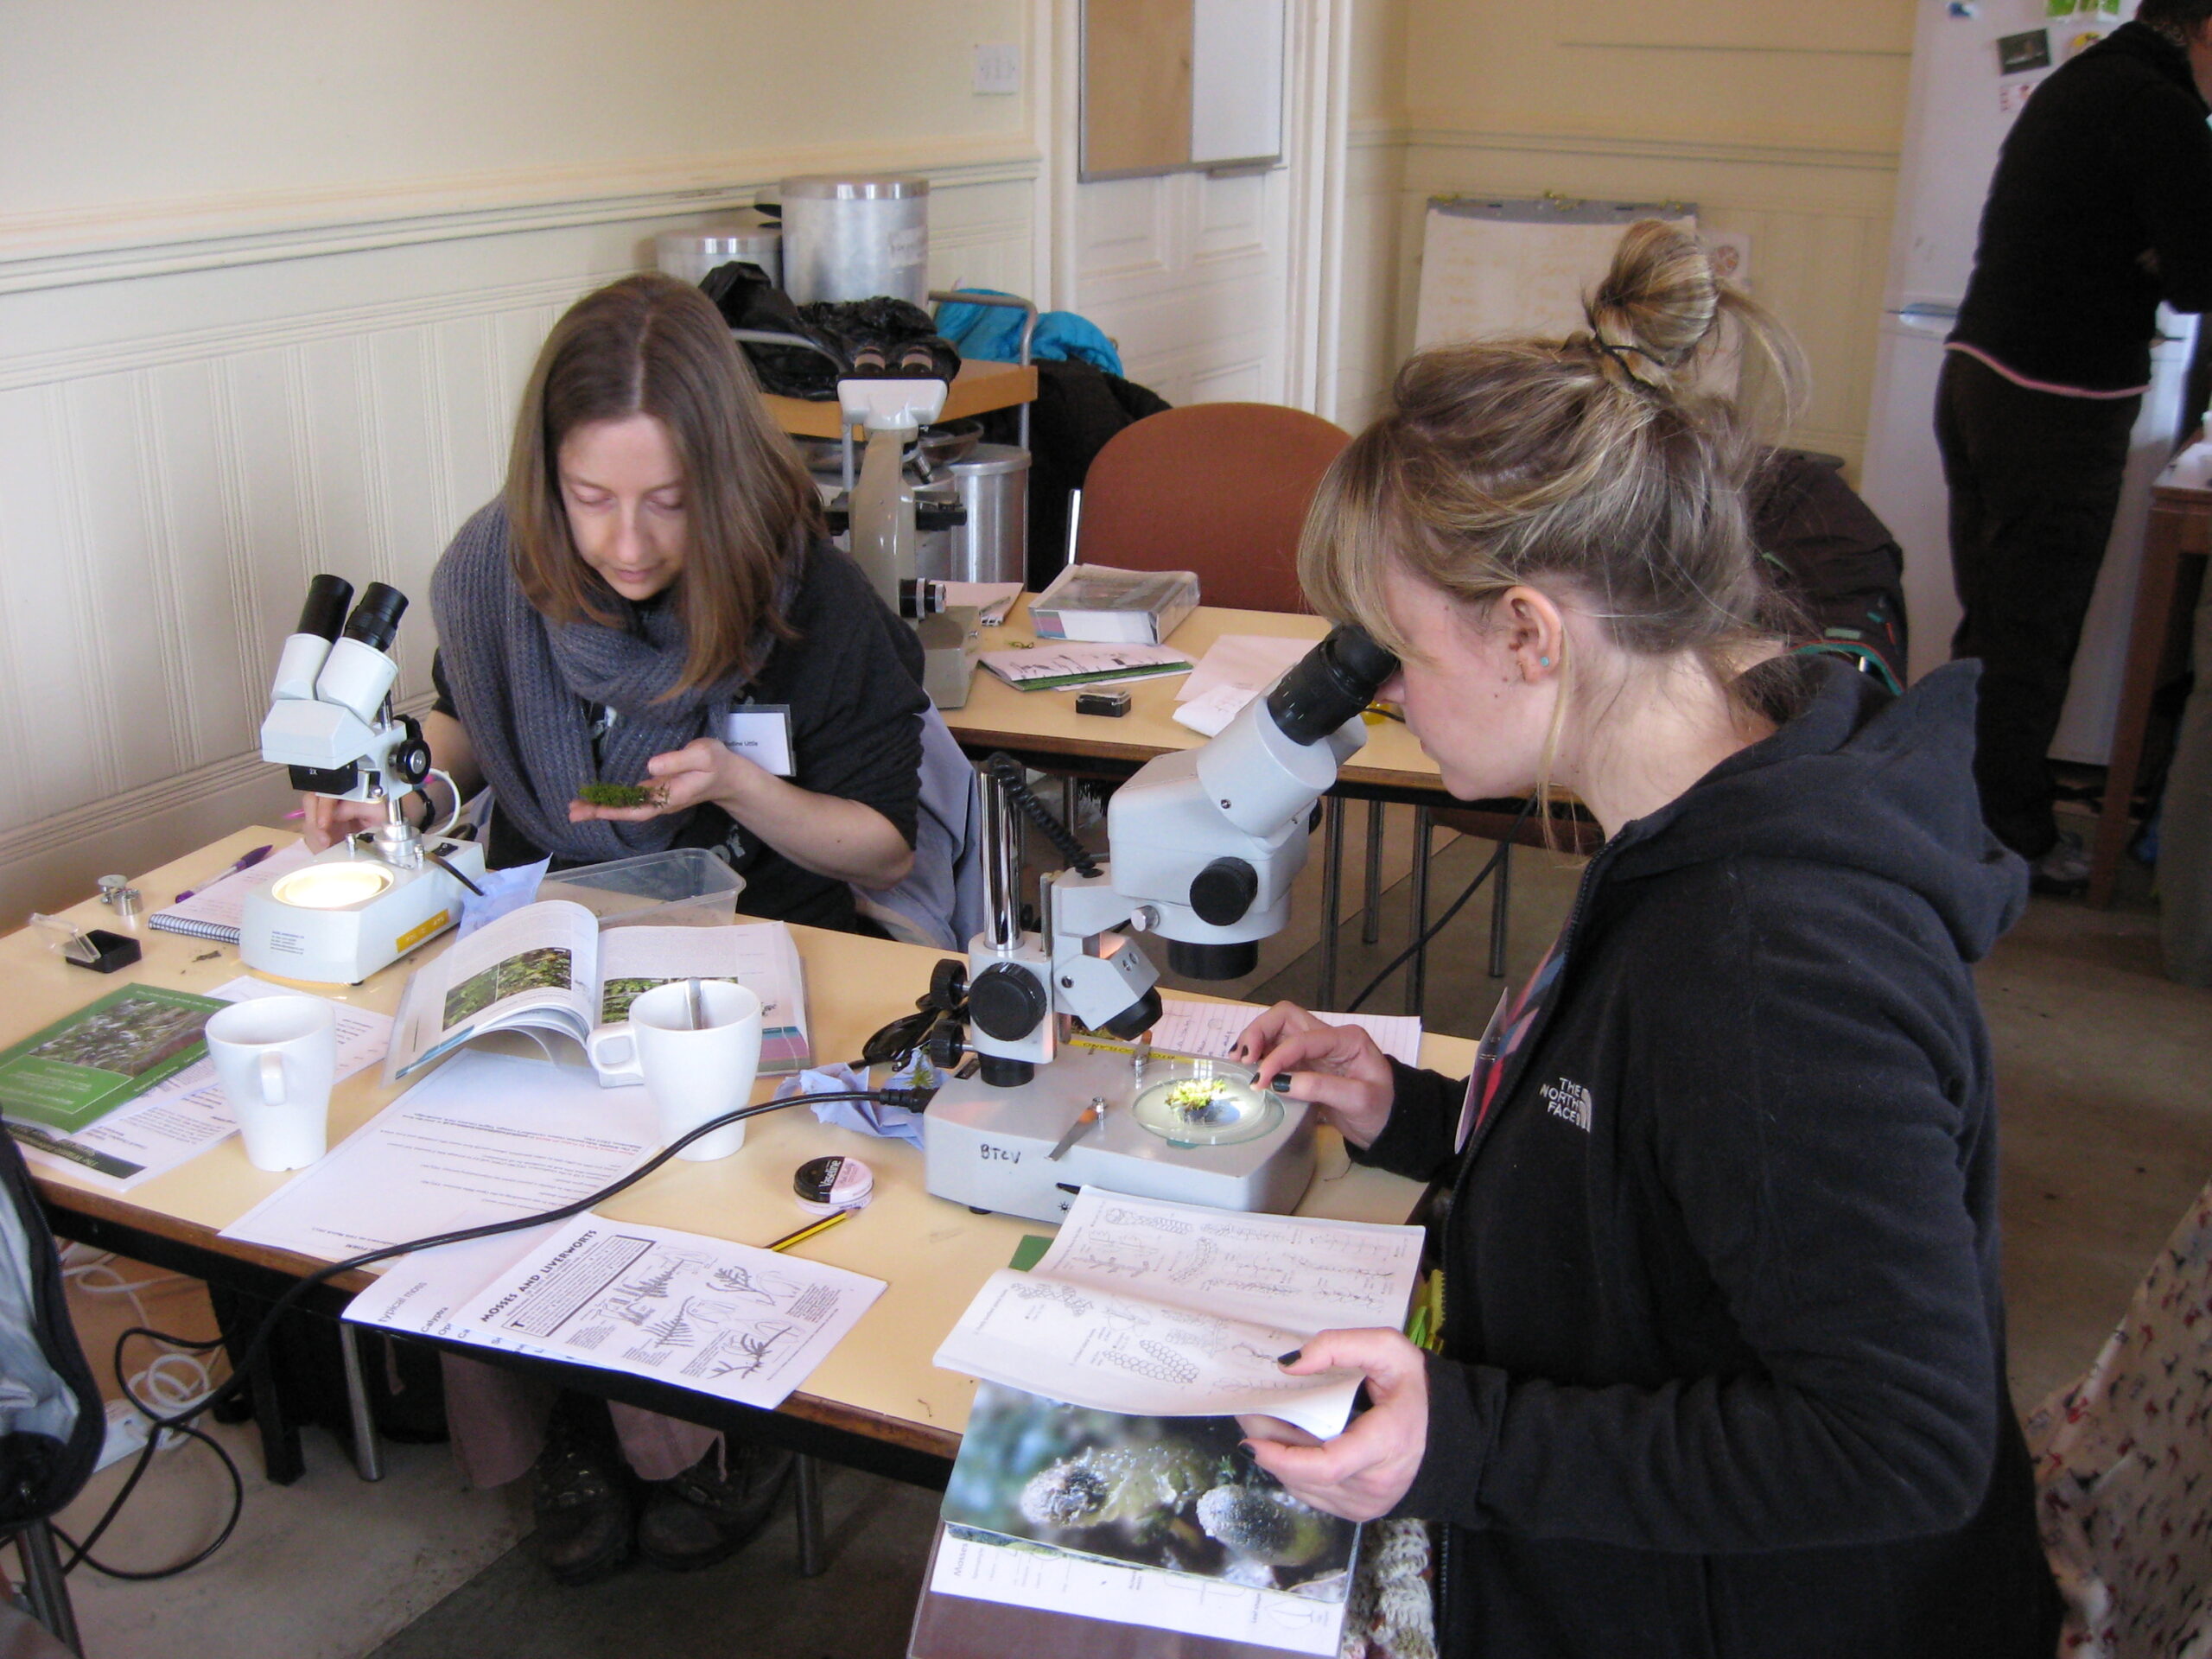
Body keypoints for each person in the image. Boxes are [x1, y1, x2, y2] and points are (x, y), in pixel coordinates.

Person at [1232, 222, 2063, 1657]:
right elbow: (1657, 1175)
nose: (1388, 704)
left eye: (1397, 653)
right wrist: (1419, 1113)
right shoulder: (1696, 823)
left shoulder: (1772, 960)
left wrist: (1468, 1443)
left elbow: (1902, 1444)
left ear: (1531, 637)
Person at [302, 272, 929, 1581]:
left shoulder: (804, 591)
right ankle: (557, 1432)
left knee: (663, 1125)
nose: (629, 545)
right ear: (547, 482)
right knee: (462, 1122)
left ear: (720, 474)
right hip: (557, 923)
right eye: (593, 500)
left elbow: (881, 840)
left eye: (666, 501)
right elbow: (465, 721)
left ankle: (701, 1434)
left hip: (764, 930)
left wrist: (744, 784)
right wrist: (400, 784)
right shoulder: (494, 567)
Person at [1939, 1, 2212, 893]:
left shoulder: (2088, 79)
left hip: (1979, 373)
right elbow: (2200, 276)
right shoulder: (2158, 106)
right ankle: (2008, 837)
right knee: (2031, 631)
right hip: (2056, 399)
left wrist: (2157, 255)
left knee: (1993, 620)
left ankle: (1956, 812)